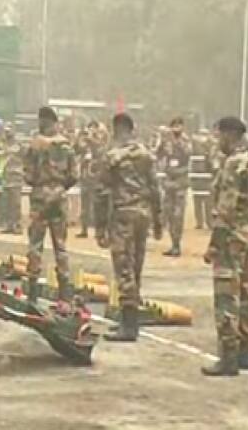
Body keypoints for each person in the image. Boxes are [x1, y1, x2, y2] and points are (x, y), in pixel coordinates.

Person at [202, 116, 248, 376]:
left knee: (226, 293)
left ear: (228, 135)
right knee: (246, 290)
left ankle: (228, 356)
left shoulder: (232, 164)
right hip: (247, 232)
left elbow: (225, 208)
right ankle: (246, 349)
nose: (218, 141)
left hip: (231, 236)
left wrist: (214, 243)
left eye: (220, 136)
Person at [96, 112, 161, 342]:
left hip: (123, 214)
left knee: (123, 268)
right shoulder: (146, 155)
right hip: (143, 215)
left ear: (115, 129)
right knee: (136, 267)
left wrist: (100, 226)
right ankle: (130, 321)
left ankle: (129, 325)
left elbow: (102, 193)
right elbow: (155, 188)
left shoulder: (112, 156)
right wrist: (159, 219)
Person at [23, 106, 77, 303]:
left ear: (43, 121)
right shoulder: (66, 145)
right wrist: (60, 186)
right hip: (59, 196)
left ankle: (33, 290)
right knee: (60, 245)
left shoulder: (35, 145)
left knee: (35, 244)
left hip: (40, 197)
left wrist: (40, 183)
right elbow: (74, 175)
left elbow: (27, 174)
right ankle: (64, 291)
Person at [157, 117, 192, 257]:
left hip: (180, 181)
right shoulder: (166, 141)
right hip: (169, 181)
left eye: (179, 126)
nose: (176, 128)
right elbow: (159, 153)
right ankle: (172, 243)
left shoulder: (185, 141)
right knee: (169, 214)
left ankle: (177, 245)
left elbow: (187, 154)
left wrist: (176, 142)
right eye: (174, 126)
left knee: (178, 215)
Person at [0, 121, 24, 234]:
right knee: (6, 203)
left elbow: (25, 157)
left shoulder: (19, 144)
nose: (7, 133)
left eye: (9, 131)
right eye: (6, 131)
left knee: (16, 203)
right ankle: (9, 225)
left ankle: (17, 225)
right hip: (6, 176)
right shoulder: (4, 144)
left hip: (16, 176)